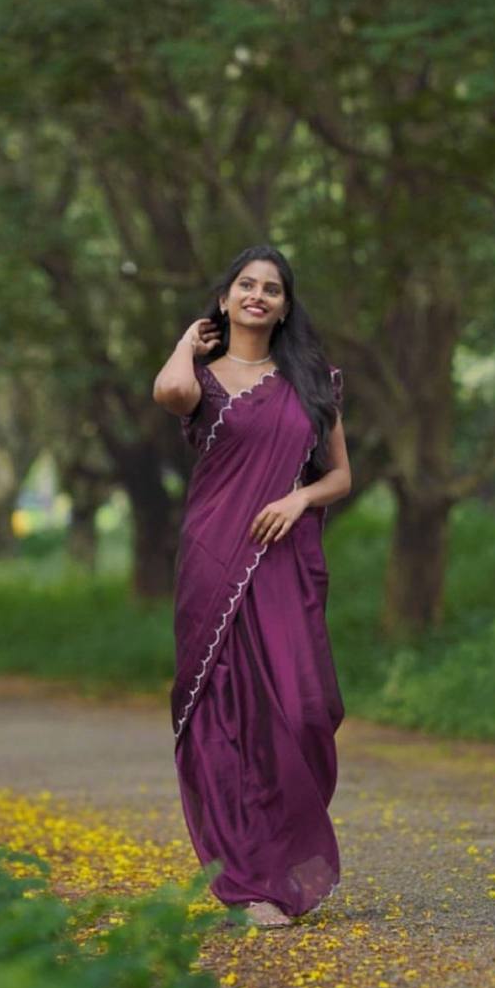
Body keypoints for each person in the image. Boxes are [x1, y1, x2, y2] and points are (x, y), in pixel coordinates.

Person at [152, 244, 351, 929]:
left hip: (284, 560)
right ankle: (247, 882)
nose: (257, 295)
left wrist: (297, 501)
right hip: (213, 557)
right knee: (223, 718)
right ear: (226, 298)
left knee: (301, 711)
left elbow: (339, 477)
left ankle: (287, 860)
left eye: (271, 288)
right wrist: (187, 339)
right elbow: (167, 394)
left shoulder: (313, 382)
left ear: (285, 305)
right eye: (245, 284)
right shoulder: (200, 379)